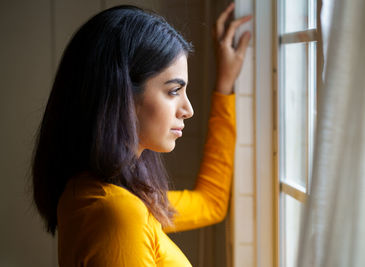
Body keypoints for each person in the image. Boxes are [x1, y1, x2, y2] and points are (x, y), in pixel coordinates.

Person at [31, 3, 251, 266]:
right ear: (122, 93)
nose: (188, 110)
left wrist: (224, 87)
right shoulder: (117, 213)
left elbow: (210, 203)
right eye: (173, 91)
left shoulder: (100, 191)